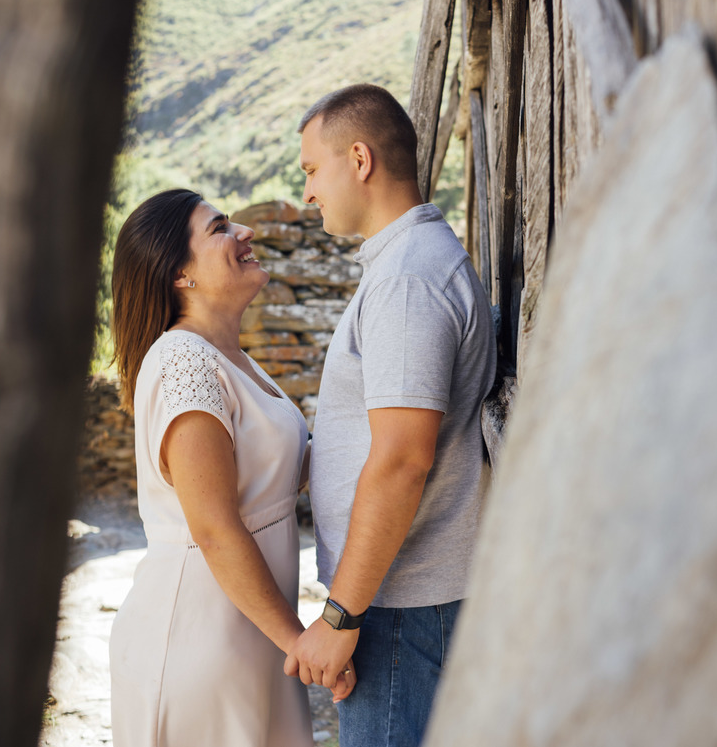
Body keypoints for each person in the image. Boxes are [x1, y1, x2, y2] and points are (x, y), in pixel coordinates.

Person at [284, 85, 496, 747]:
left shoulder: (408, 279)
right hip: (401, 598)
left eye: (312, 170)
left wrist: (342, 613)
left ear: (359, 158)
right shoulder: (407, 264)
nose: (310, 192)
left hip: (401, 606)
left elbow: (404, 458)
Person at [108, 188, 354, 747]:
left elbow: (291, 470)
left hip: (252, 635)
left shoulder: (228, 355)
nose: (244, 232)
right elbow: (215, 529)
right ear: (180, 274)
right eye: (220, 228)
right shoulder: (185, 362)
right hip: (196, 642)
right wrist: (302, 644)